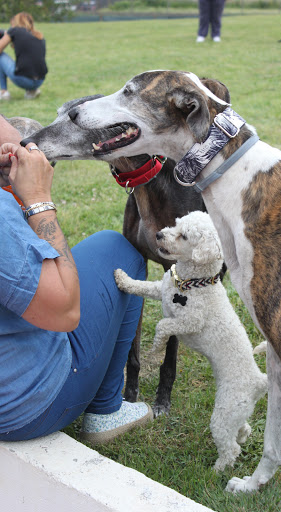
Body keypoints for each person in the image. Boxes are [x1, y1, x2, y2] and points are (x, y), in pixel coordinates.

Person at [0, 116, 153, 444]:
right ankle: (106, 409)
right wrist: (38, 201)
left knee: (102, 248)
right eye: (17, 156)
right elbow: (64, 314)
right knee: (120, 252)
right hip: (21, 406)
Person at [0, 12, 48, 101]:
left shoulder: (14, 30)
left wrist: (5, 34)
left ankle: (4, 92)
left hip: (23, 80)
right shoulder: (39, 35)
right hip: (40, 80)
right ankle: (32, 91)